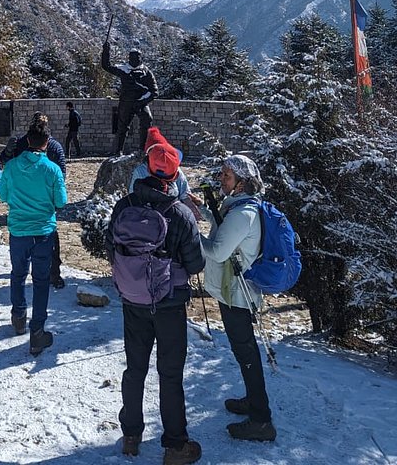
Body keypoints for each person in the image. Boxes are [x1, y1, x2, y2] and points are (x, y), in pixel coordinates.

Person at [106, 136, 204, 464]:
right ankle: (175, 445)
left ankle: (131, 435)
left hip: (133, 300)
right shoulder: (181, 214)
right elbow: (196, 264)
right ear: (175, 176)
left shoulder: (124, 206)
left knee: (135, 369)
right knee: (170, 373)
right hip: (170, 302)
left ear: (146, 168)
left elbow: (112, 249)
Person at [199, 154, 276, 443]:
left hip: (238, 296)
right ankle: (253, 402)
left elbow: (218, 251)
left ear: (242, 182)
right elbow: (224, 232)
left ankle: (261, 420)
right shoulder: (240, 207)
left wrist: (190, 229)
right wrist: (204, 213)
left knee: (247, 355)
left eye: (227, 176)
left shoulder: (243, 214)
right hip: (236, 292)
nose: (221, 179)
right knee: (246, 354)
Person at [0, 117, 67, 355]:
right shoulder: (53, 169)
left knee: (17, 274)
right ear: (47, 143)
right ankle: (37, 330)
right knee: (40, 281)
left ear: (27, 140)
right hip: (44, 232)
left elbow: (3, 196)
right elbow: (61, 201)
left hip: (18, 230)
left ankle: (18, 315)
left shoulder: (12, 166)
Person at [1, 114, 68, 289]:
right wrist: (8, 151)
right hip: (29, 203)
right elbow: (7, 163)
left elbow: (61, 172)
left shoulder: (54, 146)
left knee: (51, 244)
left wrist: (54, 190)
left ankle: (55, 274)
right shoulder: (23, 142)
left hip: (45, 200)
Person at [101, 41, 158, 155]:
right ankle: (118, 152)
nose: (134, 59)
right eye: (132, 57)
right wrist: (106, 51)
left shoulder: (146, 72)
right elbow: (106, 66)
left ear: (140, 58)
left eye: (136, 57)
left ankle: (143, 150)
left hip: (141, 102)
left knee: (147, 120)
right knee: (122, 127)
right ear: (129, 58)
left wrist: (142, 101)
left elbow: (154, 91)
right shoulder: (123, 70)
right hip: (126, 103)